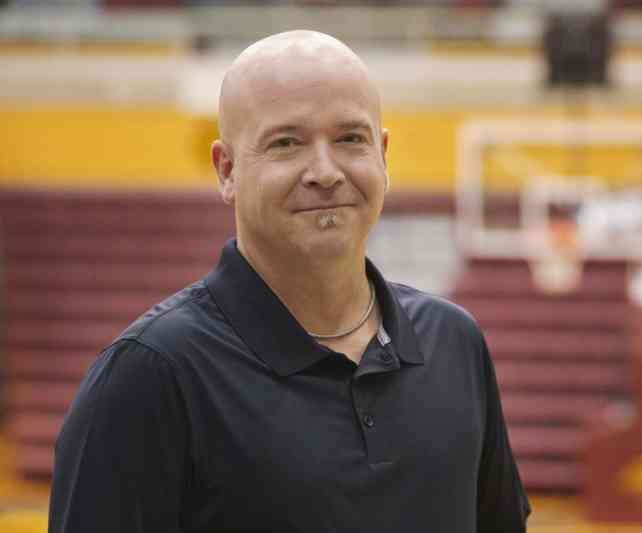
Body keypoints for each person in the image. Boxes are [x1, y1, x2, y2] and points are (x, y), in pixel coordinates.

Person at [48, 30, 531, 533]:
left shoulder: (455, 342)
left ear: (383, 155)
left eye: (350, 138)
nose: (325, 171)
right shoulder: (150, 375)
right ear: (226, 169)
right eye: (286, 143)